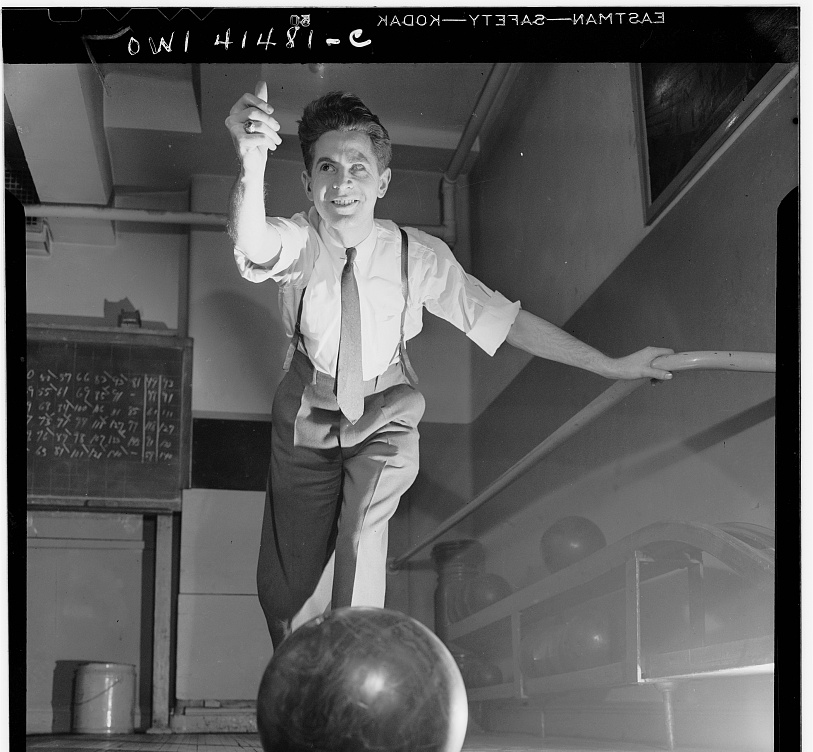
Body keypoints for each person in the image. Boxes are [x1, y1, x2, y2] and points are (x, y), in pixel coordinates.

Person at [225, 82, 674, 648]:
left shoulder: (418, 256)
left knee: (362, 528)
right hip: (306, 411)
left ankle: (352, 659)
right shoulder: (299, 240)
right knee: (287, 589)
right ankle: (301, 667)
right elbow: (255, 243)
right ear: (307, 182)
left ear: (382, 182)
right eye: (327, 168)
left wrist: (611, 365)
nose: (342, 183)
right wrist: (251, 163)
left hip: (384, 408)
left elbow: (508, 323)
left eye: (358, 168)